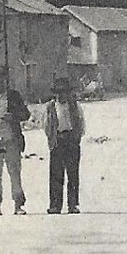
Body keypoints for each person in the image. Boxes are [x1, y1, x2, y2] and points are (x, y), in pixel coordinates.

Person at [0, 67, 30, 216]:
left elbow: (25, 114)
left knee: (14, 172)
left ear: (6, 81)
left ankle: (18, 205)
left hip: (11, 141)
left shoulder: (14, 96)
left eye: (1, 81)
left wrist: (13, 116)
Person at [44, 75, 85, 214]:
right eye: (59, 92)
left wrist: (76, 138)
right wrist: (51, 139)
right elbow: (46, 125)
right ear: (55, 93)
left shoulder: (75, 105)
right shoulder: (50, 106)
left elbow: (81, 123)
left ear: (68, 92)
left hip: (71, 140)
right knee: (56, 174)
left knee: (73, 174)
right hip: (57, 140)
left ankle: (73, 205)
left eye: (64, 91)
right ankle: (55, 205)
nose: (62, 95)